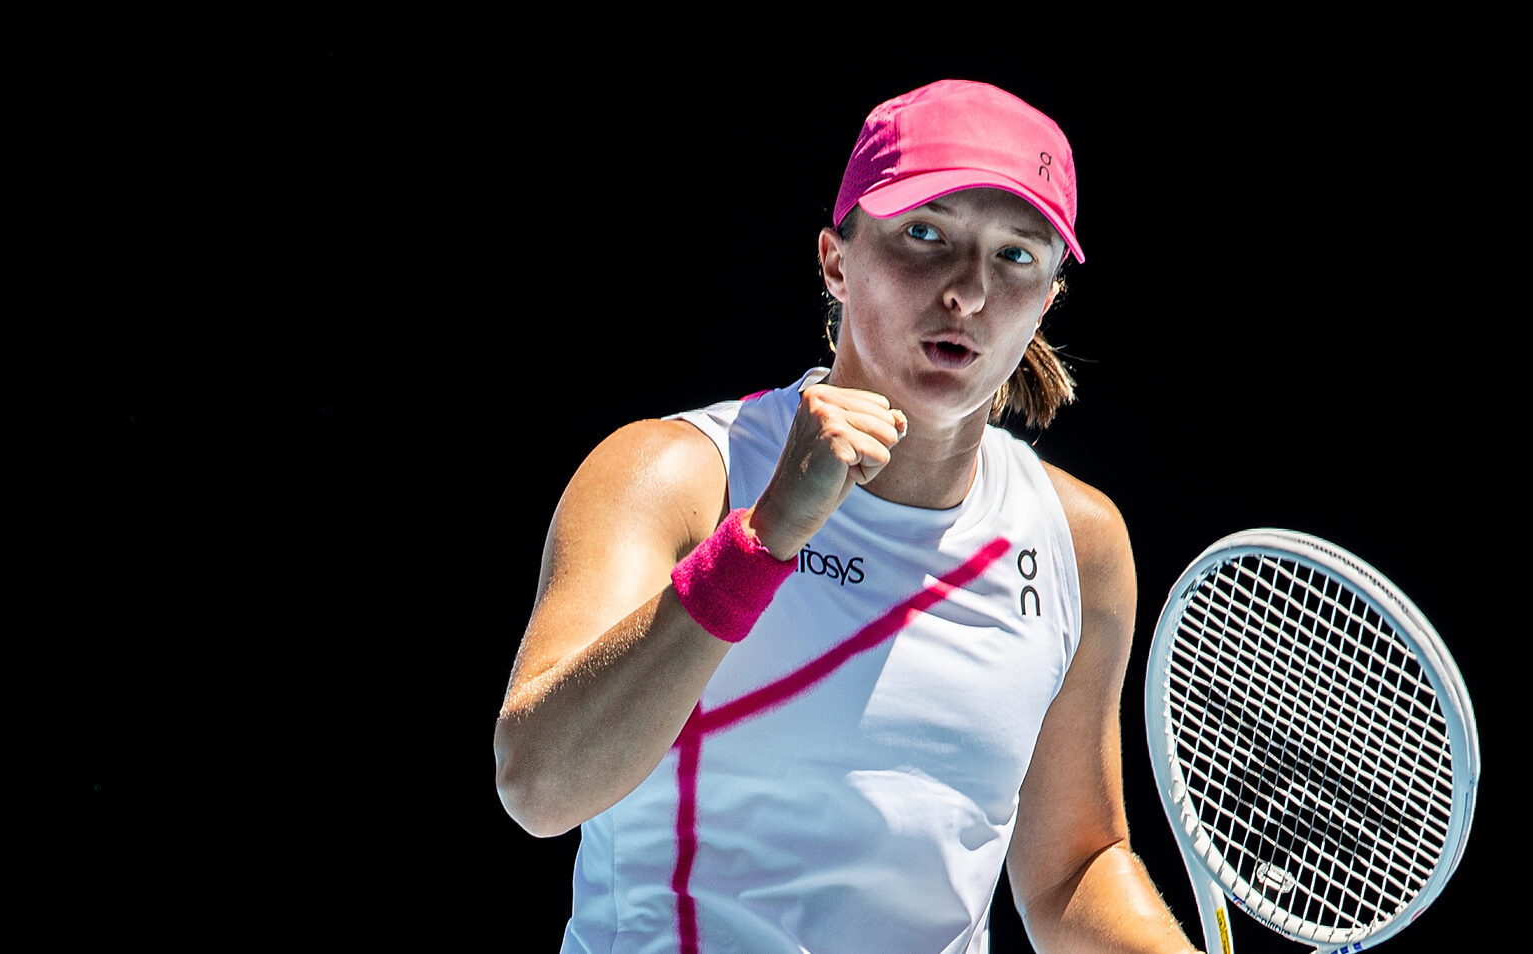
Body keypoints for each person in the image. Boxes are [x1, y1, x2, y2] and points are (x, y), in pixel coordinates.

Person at [494, 78, 1202, 953]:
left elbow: (1071, 871)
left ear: (1050, 298)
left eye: (1015, 256)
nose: (968, 293)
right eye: (925, 235)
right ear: (836, 259)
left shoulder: (1079, 545)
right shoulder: (671, 473)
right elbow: (539, 788)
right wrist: (762, 540)